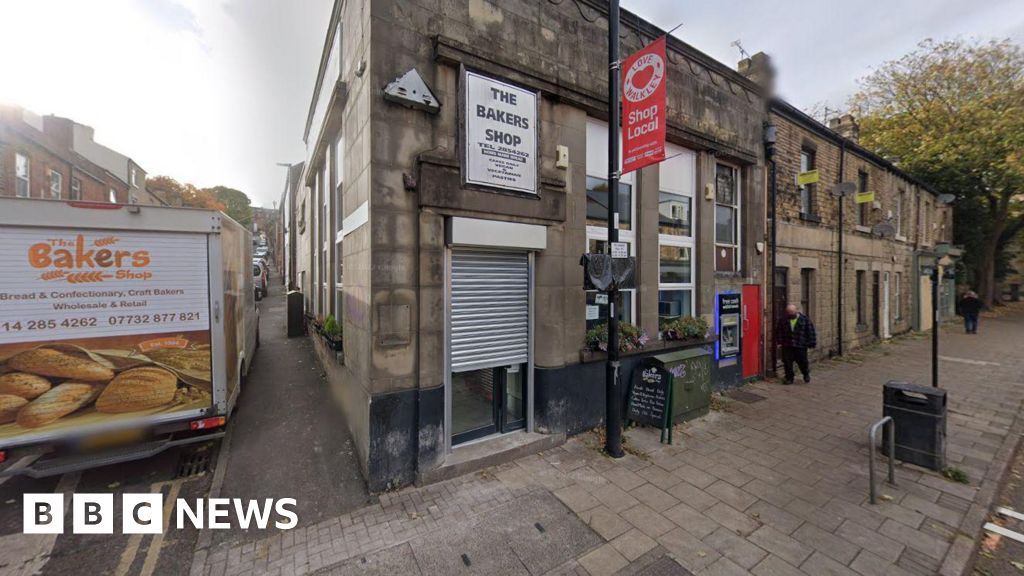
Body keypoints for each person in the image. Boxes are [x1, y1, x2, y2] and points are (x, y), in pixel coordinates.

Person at [775, 303, 817, 384]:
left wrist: (812, 342)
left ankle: (806, 373)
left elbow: (811, 331)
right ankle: (789, 378)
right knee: (787, 362)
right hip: (788, 344)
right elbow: (779, 331)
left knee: (802, 361)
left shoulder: (804, 319)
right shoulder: (783, 320)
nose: (790, 314)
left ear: (796, 311)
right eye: (789, 312)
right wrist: (779, 342)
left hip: (800, 344)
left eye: (792, 312)